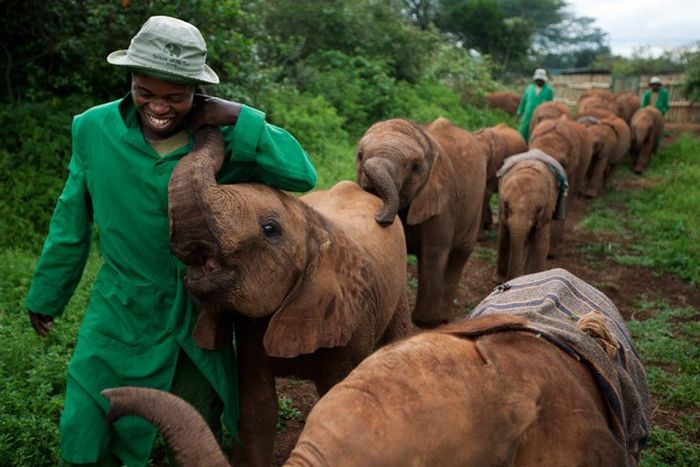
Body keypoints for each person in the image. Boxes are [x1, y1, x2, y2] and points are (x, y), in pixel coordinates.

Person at [25, 15, 317, 467]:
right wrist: (48, 293)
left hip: (195, 317)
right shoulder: (93, 129)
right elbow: (70, 221)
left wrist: (238, 115)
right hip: (119, 309)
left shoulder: (220, 140)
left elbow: (302, 174)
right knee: (84, 427)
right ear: (131, 79)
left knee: (193, 430)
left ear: (198, 94)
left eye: (175, 97)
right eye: (146, 92)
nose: (159, 106)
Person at [517, 68, 554, 142]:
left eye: (541, 80)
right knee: (522, 134)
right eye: (538, 80)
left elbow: (550, 105)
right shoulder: (529, 88)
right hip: (527, 116)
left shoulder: (549, 91)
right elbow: (523, 101)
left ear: (544, 80)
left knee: (536, 136)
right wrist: (519, 112)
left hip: (540, 118)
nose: (539, 81)